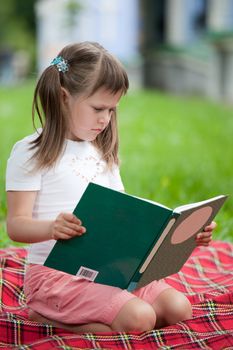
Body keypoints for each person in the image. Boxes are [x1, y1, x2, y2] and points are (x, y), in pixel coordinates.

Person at [5, 42, 215, 333]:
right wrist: (52, 228)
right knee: (140, 319)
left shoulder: (101, 152)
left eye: (112, 110)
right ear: (64, 98)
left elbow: (122, 220)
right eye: (98, 108)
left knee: (179, 309)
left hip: (108, 270)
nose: (106, 119)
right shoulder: (30, 151)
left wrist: (187, 235)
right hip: (54, 276)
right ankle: (46, 318)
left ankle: (99, 313)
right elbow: (15, 226)